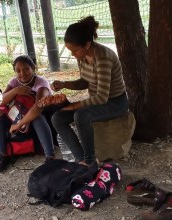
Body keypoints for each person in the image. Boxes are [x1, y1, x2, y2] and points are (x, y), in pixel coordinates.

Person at [50, 16, 129, 169]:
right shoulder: (83, 56)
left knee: (81, 115)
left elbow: (102, 97)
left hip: (116, 102)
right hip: (99, 100)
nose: (73, 54)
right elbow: (85, 82)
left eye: (74, 50)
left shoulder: (103, 57)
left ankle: (90, 160)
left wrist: (74, 106)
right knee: (57, 118)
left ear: (87, 44)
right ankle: (81, 159)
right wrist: (64, 84)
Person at [0, 55, 55, 173]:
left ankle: (50, 156)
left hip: (39, 122)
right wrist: (15, 91)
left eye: (26, 69)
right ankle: (2, 154)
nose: (22, 73)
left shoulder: (41, 83)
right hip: (19, 117)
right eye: (18, 70)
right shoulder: (14, 82)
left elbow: (37, 108)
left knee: (37, 116)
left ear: (33, 68)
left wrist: (18, 125)